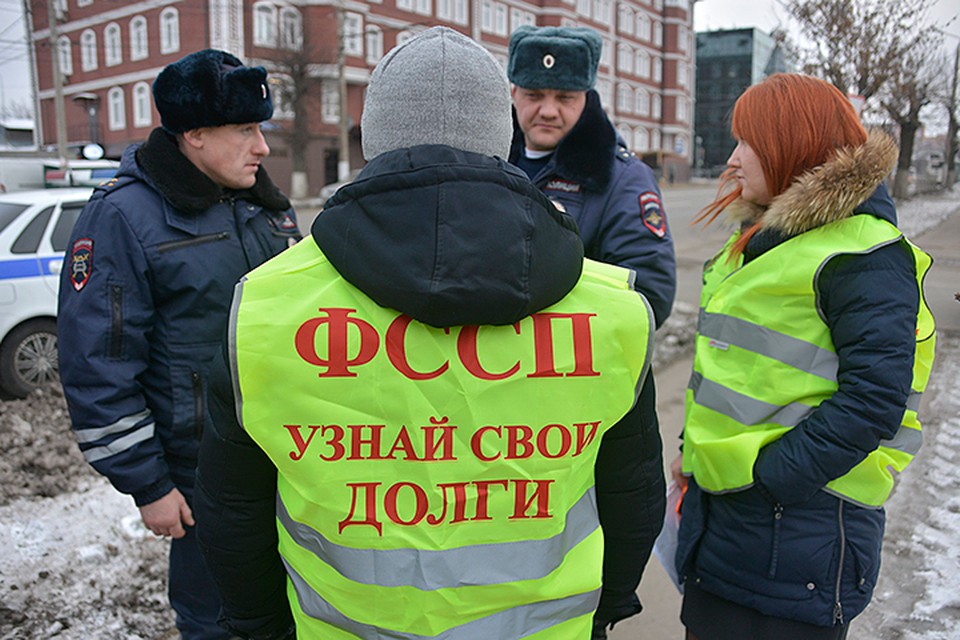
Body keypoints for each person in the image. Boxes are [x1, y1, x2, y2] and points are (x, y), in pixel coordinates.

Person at [194, 26, 660, 640]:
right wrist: (610, 606)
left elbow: (234, 511)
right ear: (503, 136)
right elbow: (632, 493)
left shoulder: (265, 307)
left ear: (374, 139)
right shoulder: (612, 312)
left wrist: (259, 625)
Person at [671, 73, 936, 640]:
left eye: (748, 142)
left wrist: (766, 479)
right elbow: (728, 374)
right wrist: (693, 455)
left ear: (795, 145)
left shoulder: (863, 253)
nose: (733, 159)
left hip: (798, 534)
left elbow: (873, 403)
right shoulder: (761, 238)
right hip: (730, 521)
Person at [58, 49, 301, 639]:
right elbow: (99, 362)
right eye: (244, 129)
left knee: (293, 613)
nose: (262, 147)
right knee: (218, 622)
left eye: (260, 128)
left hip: (287, 460)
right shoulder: (123, 216)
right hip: (201, 476)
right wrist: (149, 483)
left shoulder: (265, 209)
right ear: (193, 134)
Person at [507, 25, 676, 636]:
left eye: (566, 97)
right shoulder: (486, 156)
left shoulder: (620, 179)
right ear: (513, 90)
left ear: (589, 96)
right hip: (483, 413)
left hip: (568, 415)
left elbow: (649, 298)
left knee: (565, 568)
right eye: (532, 93)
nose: (547, 109)